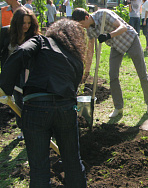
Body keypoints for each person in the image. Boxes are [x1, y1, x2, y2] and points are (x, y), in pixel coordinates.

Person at [0, 19, 87, 187]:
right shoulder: (75, 56)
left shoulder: (40, 41)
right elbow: (73, 89)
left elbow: (20, 53)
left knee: (39, 168)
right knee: (73, 163)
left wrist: (5, 87)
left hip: (36, 107)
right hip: (66, 109)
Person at [72, 8, 148, 118]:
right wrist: (86, 70)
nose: (82, 26)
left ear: (87, 17)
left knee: (142, 73)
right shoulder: (89, 30)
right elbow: (90, 50)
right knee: (113, 75)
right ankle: (118, 107)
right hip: (116, 46)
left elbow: (123, 27)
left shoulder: (103, 14)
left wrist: (108, 36)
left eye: (82, 23)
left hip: (130, 39)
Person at [0, 7, 40, 139]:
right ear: (16, 23)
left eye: (29, 23)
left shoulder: (33, 35)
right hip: (12, 72)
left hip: (29, 71)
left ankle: (38, 127)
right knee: (18, 101)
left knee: (31, 100)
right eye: (23, 23)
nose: (26, 26)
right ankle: (23, 129)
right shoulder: (6, 32)